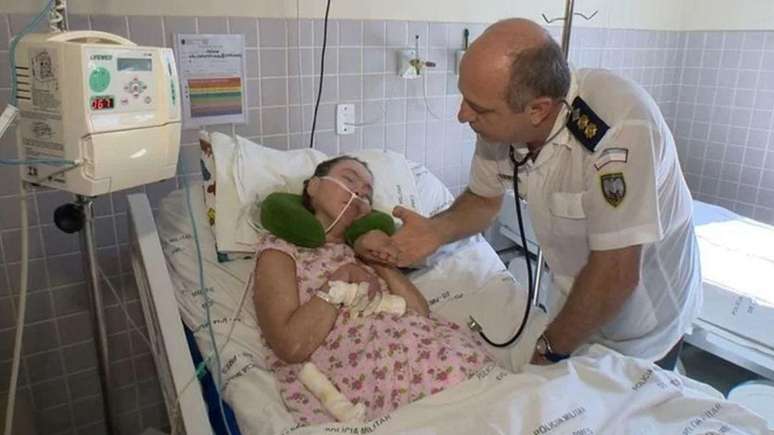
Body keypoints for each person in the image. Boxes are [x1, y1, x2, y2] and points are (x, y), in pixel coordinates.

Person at [390, 18, 702, 369]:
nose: (462, 115)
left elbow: (615, 273)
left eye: (477, 108)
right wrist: (434, 231)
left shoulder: (618, 128)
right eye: (465, 97)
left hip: (643, 326)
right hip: (577, 302)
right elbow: (483, 200)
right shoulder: (502, 122)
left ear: (537, 109)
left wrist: (549, 351)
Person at [253, 156, 492, 425]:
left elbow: (420, 313)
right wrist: (342, 277)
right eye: (348, 179)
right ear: (314, 186)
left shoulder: (365, 250)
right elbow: (291, 345)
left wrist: (377, 259)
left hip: (440, 359)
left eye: (367, 194)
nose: (358, 193)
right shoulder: (281, 250)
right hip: (369, 376)